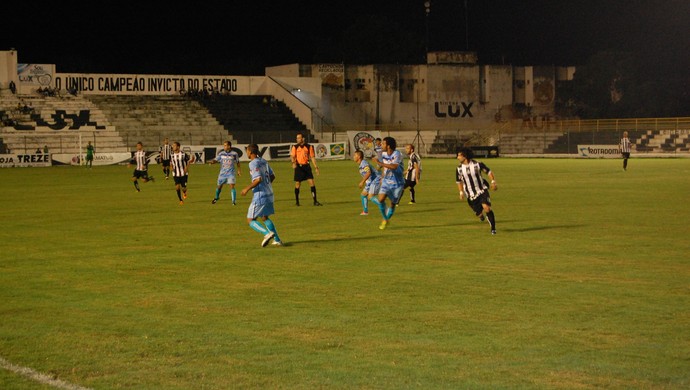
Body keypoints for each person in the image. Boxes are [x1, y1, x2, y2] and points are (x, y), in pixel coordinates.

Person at [241, 144, 283, 247]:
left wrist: (247, 188)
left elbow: (258, 179)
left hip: (260, 196)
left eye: (247, 151)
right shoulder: (264, 161)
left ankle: (267, 234)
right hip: (269, 194)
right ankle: (277, 240)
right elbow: (272, 176)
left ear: (250, 152)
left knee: (250, 220)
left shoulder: (253, 163)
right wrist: (266, 186)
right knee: (264, 217)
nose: (247, 152)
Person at [455, 148, 498, 235]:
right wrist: (461, 192)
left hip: (482, 190)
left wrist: (493, 181)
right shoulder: (459, 169)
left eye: (459, 155)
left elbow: (488, 172)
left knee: (487, 208)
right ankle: (481, 216)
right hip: (470, 195)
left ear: (465, 156)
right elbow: (459, 181)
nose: (457, 157)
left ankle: (493, 229)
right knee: (479, 214)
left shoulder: (477, 164)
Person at [371, 136, 404, 230]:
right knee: (381, 199)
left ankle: (386, 219)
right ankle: (385, 219)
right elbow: (385, 167)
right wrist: (382, 177)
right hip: (386, 181)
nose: (381, 144)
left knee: (392, 204)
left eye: (383, 143)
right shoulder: (383, 154)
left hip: (397, 183)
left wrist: (379, 163)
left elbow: (393, 166)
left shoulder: (397, 154)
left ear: (388, 146)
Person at [290, 132, 322, 206]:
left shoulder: (309, 147)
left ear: (303, 138)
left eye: (299, 138)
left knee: (312, 183)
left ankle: (315, 201)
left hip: (307, 167)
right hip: (299, 167)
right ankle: (297, 202)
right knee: (298, 184)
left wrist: (316, 167)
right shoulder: (295, 147)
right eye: (297, 138)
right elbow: (292, 156)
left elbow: (312, 157)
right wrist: (293, 163)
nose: (297, 139)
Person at [210, 140, 241, 205]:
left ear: (229, 146)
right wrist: (212, 162)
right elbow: (216, 159)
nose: (224, 147)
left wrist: (239, 170)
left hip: (231, 173)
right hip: (222, 173)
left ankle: (233, 201)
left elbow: (238, 162)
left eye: (225, 145)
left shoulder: (234, 154)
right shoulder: (221, 153)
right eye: (224, 145)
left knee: (232, 186)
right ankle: (216, 197)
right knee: (219, 186)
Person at [353, 150, 381, 216]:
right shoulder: (361, 164)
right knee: (363, 195)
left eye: (355, 155)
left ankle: (383, 206)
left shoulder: (364, 163)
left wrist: (362, 182)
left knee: (370, 197)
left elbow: (368, 173)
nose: (353, 157)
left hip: (376, 179)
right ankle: (365, 212)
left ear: (359, 156)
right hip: (371, 181)